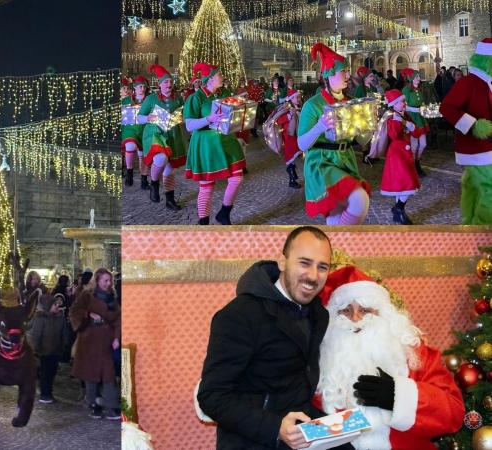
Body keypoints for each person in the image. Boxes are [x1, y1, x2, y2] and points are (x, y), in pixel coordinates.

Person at [197, 226, 335, 449]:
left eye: (322, 267)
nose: (313, 276)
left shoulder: (319, 314)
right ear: (282, 262)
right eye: (304, 262)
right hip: (252, 438)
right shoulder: (239, 315)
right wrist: (276, 427)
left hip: (304, 430)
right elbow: (211, 396)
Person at [316, 265, 464, 449]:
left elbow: (454, 414)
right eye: (345, 311)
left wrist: (398, 397)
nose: (355, 319)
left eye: (365, 310)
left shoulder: (416, 355)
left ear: (384, 315)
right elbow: (310, 430)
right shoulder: (320, 362)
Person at [297, 43, 370, 225]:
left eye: (347, 71)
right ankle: (341, 242)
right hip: (322, 163)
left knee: (336, 215)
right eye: (343, 71)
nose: (348, 75)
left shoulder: (351, 102)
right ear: (329, 75)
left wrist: (370, 126)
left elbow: (362, 140)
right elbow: (302, 144)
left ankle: (337, 247)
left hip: (345, 159)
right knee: (359, 200)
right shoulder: (312, 105)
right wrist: (320, 127)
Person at [184, 62, 246, 225]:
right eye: (219, 75)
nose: (222, 76)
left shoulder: (224, 92)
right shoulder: (195, 98)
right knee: (207, 186)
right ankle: (203, 221)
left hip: (226, 140)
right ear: (210, 79)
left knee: (237, 178)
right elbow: (189, 125)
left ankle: (224, 212)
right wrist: (208, 119)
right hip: (205, 143)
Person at [440, 37, 492, 224]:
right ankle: (483, 233)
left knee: (472, 187)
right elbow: (447, 107)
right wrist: (473, 126)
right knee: (488, 190)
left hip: (486, 148)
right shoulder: (469, 82)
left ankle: (471, 227)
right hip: (476, 149)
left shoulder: (488, 83)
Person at [69, 268, 121, 421]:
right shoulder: (87, 295)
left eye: (109, 280)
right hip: (89, 341)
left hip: (106, 341)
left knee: (108, 375)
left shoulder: (112, 297)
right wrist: (87, 314)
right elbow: (74, 310)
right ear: (97, 280)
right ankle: (94, 405)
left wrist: (116, 338)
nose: (108, 283)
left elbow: (118, 319)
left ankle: (111, 407)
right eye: (105, 280)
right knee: (90, 376)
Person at [138, 64, 187, 210]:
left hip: (173, 134)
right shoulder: (151, 99)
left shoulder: (178, 99)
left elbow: (183, 114)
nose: (169, 84)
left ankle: (170, 200)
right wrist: (148, 118)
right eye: (166, 82)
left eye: (170, 82)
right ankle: (154, 183)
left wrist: (182, 118)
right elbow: (139, 117)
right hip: (155, 133)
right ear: (160, 84)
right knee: (161, 158)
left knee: (170, 169)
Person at [378, 90, 422, 224]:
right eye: (401, 102)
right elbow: (394, 135)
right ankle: (398, 209)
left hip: (406, 155)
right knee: (407, 182)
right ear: (394, 105)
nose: (404, 103)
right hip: (397, 155)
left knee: (402, 186)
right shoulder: (392, 117)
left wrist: (410, 125)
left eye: (403, 101)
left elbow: (417, 133)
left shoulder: (405, 115)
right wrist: (399, 123)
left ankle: (399, 213)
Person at [28, 293, 67, 404]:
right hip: (44, 352)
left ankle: (49, 393)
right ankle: (45, 394)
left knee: (52, 373)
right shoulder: (40, 319)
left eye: (57, 304)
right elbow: (36, 336)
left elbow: (63, 333)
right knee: (45, 374)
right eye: (54, 304)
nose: (57, 306)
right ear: (48, 305)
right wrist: (36, 350)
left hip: (55, 351)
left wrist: (63, 345)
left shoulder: (60, 318)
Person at [400, 68, 429, 177]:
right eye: (416, 77)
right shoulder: (406, 90)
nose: (419, 78)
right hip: (411, 118)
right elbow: (403, 105)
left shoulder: (420, 89)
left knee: (423, 144)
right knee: (414, 145)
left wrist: (424, 108)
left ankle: (417, 161)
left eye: (419, 76)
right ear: (411, 78)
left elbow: (421, 103)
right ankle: (413, 166)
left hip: (420, 119)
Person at [122, 76, 150, 189]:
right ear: (135, 88)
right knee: (130, 145)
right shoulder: (126, 101)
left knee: (142, 154)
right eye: (139, 86)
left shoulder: (149, 100)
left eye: (143, 86)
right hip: (130, 129)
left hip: (144, 129)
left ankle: (144, 180)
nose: (142, 88)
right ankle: (129, 172)